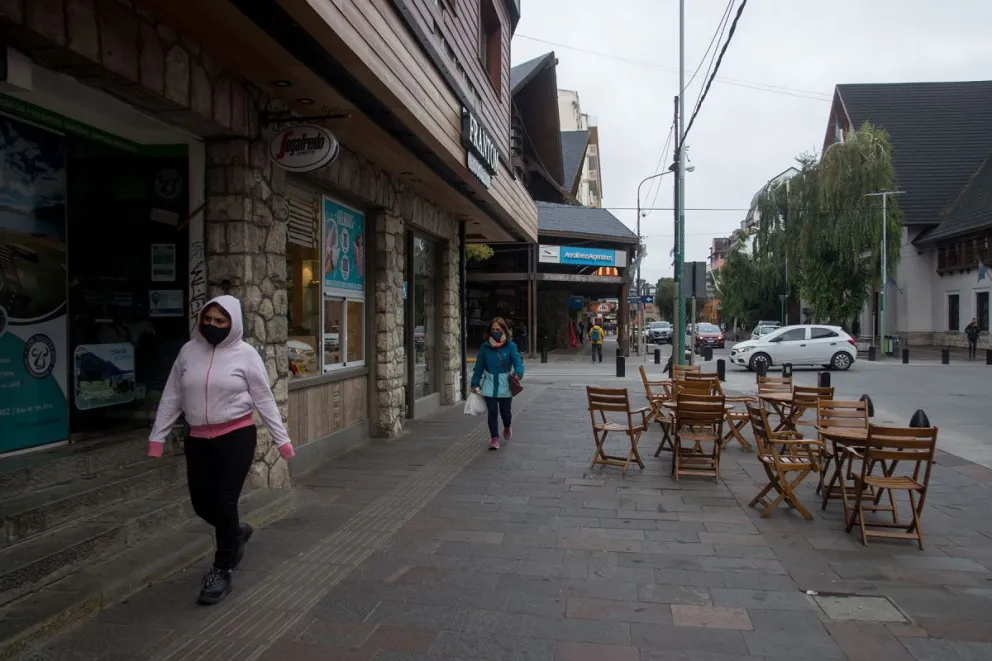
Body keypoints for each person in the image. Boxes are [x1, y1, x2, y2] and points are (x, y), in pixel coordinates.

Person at [147, 295, 294, 605]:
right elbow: (172, 395)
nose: (212, 325)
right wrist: (157, 437)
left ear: (233, 324)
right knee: (203, 506)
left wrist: (283, 442)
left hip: (236, 438)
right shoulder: (189, 351)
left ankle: (222, 569)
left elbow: (264, 400)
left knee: (225, 501)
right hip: (198, 439)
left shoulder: (246, 355)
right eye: (208, 319)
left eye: (220, 321)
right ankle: (235, 532)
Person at [471, 317, 524, 451]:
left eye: (498, 329)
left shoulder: (511, 346)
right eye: (493, 329)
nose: (495, 332)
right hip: (489, 383)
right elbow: (478, 367)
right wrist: (475, 383)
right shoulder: (485, 347)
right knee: (492, 410)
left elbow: (518, 362)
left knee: (506, 413)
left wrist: (518, 373)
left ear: (503, 330)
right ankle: (494, 438)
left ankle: (507, 427)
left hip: (505, 383)